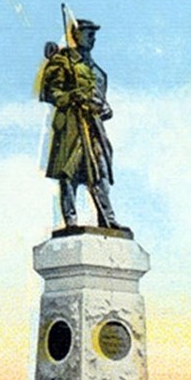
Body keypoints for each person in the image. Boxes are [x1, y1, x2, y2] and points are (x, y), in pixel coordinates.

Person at [40, 19, 123, 229]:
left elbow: (100, 98)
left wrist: (105, 109)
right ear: (76, 35)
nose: (92, 39)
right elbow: (51, 93)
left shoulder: (97, 71)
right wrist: (72, 96)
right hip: (71, 125)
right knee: (69, 174)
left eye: (94, 36)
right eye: (89, 34)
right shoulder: (64, 61)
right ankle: (71, 220)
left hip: (93, 126)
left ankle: (107, 219)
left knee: (100, 172)